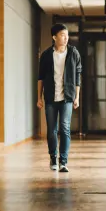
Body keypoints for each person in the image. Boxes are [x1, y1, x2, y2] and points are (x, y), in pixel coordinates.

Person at [37, 24, 82, 172]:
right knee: (52, 130)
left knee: (65, 128)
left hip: (67, 97)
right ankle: (53, 157)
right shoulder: (46, 55)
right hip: (50, 97)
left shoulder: (73, 53)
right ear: (54, 37)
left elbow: (78, 76)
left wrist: (77, 97)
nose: (66, 37)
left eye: (67, 35)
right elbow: (41, 78)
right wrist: (39, 97)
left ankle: (63, 161)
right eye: (62, 35)